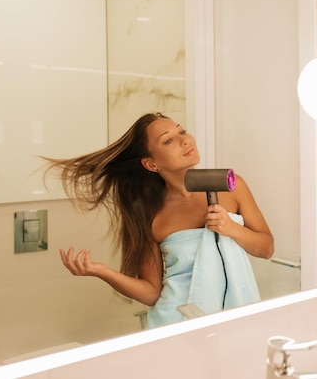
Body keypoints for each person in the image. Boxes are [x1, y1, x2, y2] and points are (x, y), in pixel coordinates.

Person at [44, 112, 274, 328]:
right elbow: (152, 292)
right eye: (168, 140)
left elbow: (266, 248)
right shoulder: (151, 214)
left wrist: (232, 229)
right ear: (151, 164)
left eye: (182, 131)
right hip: (176, 322)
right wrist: (103, 271)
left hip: (235, 321)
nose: (184, 140)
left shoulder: (231, 187)